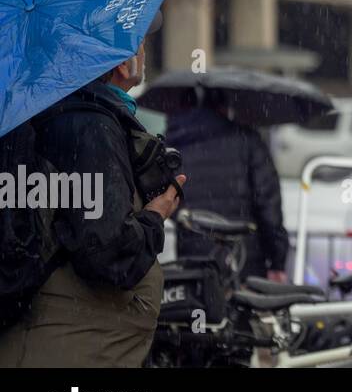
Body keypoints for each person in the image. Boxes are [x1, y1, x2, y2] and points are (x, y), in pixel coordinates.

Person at [0, 34, 185, 367]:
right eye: (138, 42)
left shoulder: (51, 111)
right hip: (72, 345)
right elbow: (107, 252)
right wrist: (154, 217)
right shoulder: (88, 125)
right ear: (119, 61)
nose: (142, 51)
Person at [166, 100, 290, 282]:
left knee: (198, 304)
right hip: (244, 255)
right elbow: (268, 204)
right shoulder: (247, 139)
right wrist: (277, 259)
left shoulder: (177, 142)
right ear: (224, 107)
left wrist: (187, 221)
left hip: (192, 254)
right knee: (240, 306)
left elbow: (167, 197)